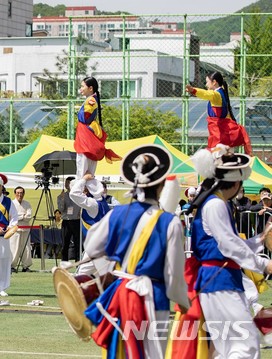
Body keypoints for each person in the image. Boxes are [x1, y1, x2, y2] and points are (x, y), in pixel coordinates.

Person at [83, 144, 190, 358]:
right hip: (153, 297)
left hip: (121, 293)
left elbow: (92, 246)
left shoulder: (118, 214)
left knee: (120, 352)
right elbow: (173, 274)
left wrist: (115, 267)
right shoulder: (169, 222)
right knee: (151, 353)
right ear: (160, 185)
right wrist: (184, 302)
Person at [168, 144, 272, 358]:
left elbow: (229, 243)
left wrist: (261, 238)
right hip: (219, 281)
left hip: (221, 280)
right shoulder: (215, 205)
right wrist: (264, 264)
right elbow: (228, 246)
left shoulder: (216, 203)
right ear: (235, 182)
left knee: (226, 348)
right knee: (245, 345)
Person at [73, 76, 121, 194]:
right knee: (88, 175)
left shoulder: (91, 100)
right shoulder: (92, 99)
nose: (80, 89)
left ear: (90, 88)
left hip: (85, 140)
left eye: (82, 86)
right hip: (87, 138)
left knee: (82, 173)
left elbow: (85, 118)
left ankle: (77, 193)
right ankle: (99, 196)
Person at [185, 71, 252, 154]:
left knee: (216, 156)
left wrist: (193, 90)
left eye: (207, 82)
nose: (206, 85)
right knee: (224, 156)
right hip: (222, 132)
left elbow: (206, 94)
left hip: (220, 133)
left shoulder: (216, 95)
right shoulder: (222, 92)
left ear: (214, 82)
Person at [68, 174, 111, 276]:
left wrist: (84, 179)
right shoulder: (101, 201)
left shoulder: (93, 204)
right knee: (103, 278)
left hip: (96, 245)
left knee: (80, 277)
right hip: (103, 244)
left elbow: (73, 194)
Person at [57, 177, 81, 261]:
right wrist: (63, 199)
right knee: (65, 243)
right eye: (66, 183)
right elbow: (60, 209)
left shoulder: (79, 195)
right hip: (66, 221)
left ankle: (78, 260)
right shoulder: (61, 196)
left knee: (78, 242)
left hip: (76, 220)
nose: (67, 185)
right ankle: (64, 261)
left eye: (69, 183)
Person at [10, 186, 33, 272]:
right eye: (18, 193)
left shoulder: (27, 204)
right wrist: (22, 216)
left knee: (26, 248)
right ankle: (12, 265)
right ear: (15, 194)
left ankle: (26, 266)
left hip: (26, 229)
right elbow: (12, 216)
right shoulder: (12, 203)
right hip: (15, 229)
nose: (20, 194)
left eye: (21, 193)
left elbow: (29, 216)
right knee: (14, 247)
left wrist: (20, 216)